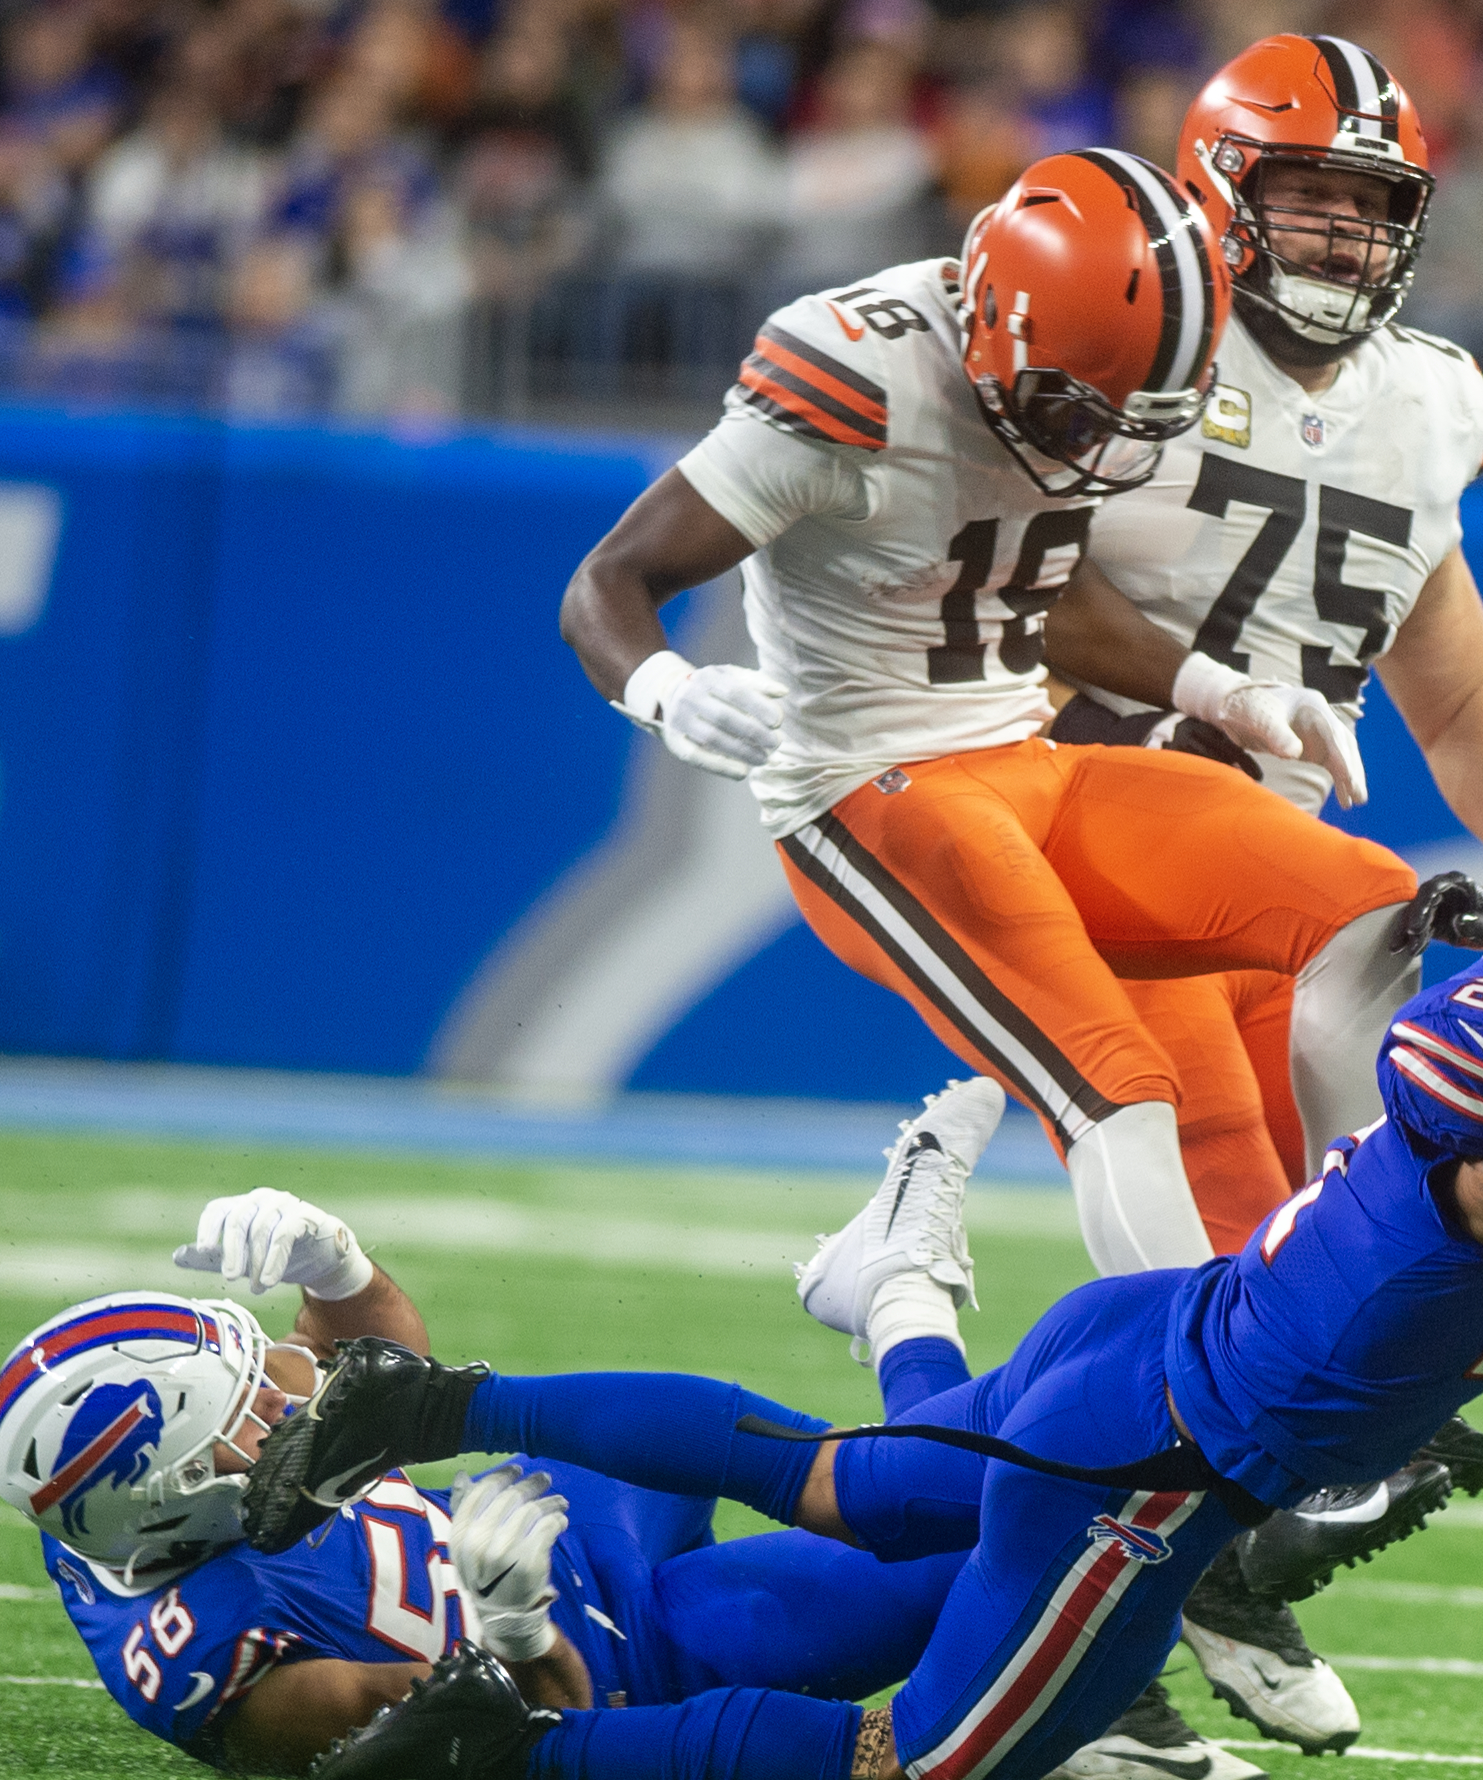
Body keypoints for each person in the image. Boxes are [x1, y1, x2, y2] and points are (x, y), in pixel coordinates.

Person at [246, 817, 1483, 1780]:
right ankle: (524, 1745)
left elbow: (1434, 988)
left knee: (847, 1480)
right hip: (1152, 1473)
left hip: (1143, 1335)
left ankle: (436, 1395)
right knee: (932, 1771)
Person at [556, 148, 1417, 1294]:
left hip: (1030, 760)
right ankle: (1203, 1395)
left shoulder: (1080, 383)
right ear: (997, 333)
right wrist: (665, 689)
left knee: (1374, 912)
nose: (1095, 446)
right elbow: (607, 582)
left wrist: (1229, 692)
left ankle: (1356, 1294)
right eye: (1078, 408)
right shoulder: (856, 378)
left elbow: (1038, 580)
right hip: (872, 790)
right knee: (1115, 1082)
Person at [1047, 34, 1483, 1759]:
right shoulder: (1132, 336)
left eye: (1373, 209)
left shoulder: (1426, 398)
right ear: (1219, 190)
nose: (1345, 240)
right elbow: (994, 570)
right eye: (1309, 199)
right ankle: (1129, 1607)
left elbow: (1445, 664)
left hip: (1273, 887)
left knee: (1352, 1238)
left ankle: (1199, 1563)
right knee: (1232, 1261)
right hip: (1084, 829)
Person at [0, 1173, 983, 1780]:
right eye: (246, 1411)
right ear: (174, 1494)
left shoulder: (122, 1508)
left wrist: (336, 1269)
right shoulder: (219, 1663)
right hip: (630, 1646)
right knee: (1012, 1547)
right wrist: (515, 1626)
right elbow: (528, 1730)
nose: (287, 1389)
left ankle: (890, 1279)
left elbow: (384, 1388)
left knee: (857, 1477)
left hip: (543, 1504)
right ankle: (907, 1301)